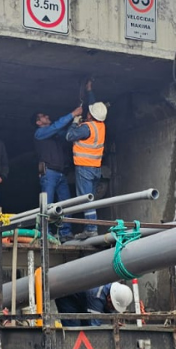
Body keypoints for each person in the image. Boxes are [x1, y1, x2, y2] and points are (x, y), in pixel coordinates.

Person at [66, 81, 108, 239]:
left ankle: (91, 229)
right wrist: (90, 91)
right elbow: (93, 107)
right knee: (91, 198)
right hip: (96, 168)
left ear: (91, 115)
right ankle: (92, 227)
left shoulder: (86, 128)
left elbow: (69, 136)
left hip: (84, 168)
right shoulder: (101, 126)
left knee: (86, 199)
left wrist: (75, 121)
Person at [33, 110, 77, 240]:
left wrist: (75, 123)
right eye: (43, 115)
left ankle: (65, 232)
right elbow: (57, 126)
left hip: (60, 173)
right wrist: (73, 114)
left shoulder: (55, 135)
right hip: (49, 173)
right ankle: (45, 232)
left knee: (66, 203)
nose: (47, 115)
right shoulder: (39, 133)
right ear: (38, 122)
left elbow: (67, 134)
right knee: (47, 204)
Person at [55, 282, 134, 327]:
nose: (113, 310)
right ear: (109, 298)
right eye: (113, 307)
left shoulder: (111, 290)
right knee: (75, 331)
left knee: (85, 326)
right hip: (67, 298)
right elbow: (94, 328)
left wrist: (114, 320)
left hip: (83, 299)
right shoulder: (96, 297)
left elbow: (107, 307)